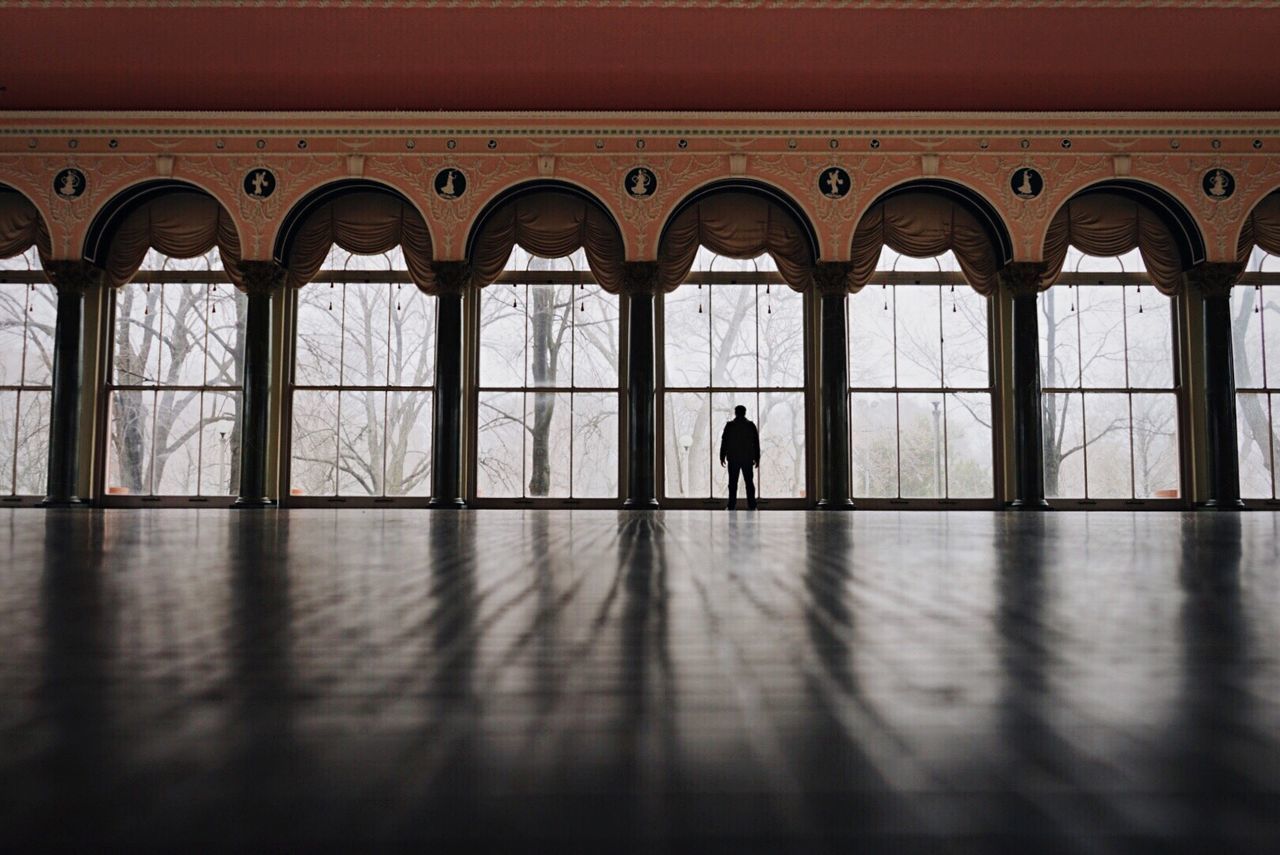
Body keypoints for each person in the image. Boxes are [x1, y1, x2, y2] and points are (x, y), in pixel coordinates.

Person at [719, 405, 760, 510]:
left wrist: (722, 455)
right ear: (745, 413)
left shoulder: (730, 426)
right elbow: (756, 443)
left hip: (733, 458)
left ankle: (731, 505)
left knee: (732, 483)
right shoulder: (750, 426)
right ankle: (752, 505)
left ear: (735, 413)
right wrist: (757, 457)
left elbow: (724, 442)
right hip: (747, 458)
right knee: (749, 483)